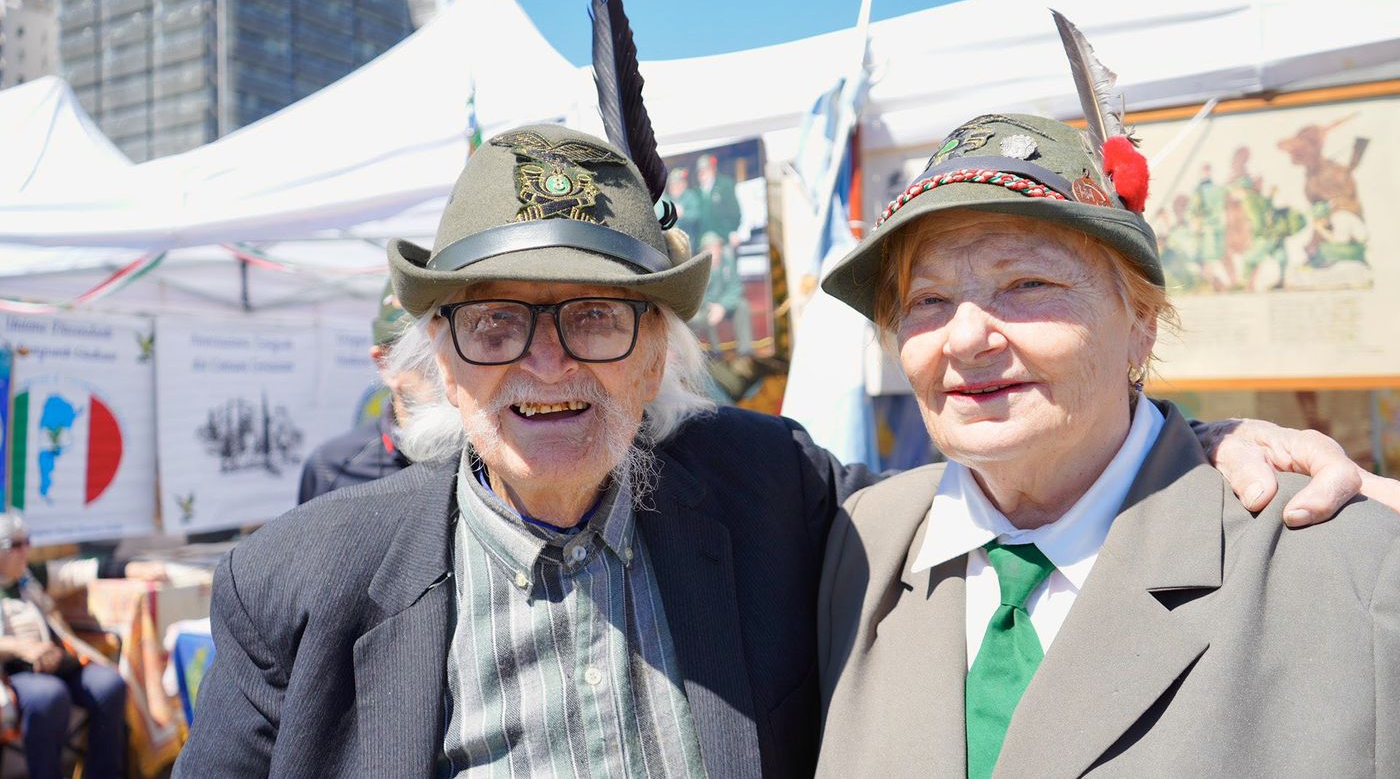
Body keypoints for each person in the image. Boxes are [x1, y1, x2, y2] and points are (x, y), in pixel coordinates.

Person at [176, 122, 1390, 778]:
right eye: (494, 321)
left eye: (598, 317)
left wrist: (1216, 444)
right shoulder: (304, 581)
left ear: (658, 354)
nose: (546, 365)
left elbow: (1050, 473)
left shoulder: (777, 501)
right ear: (442, 358)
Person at [816, 113, 1400, 777]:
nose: (965, 338)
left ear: (1141, 324)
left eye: (1028, 285)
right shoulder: (856, 543)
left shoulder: (1347, 568)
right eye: (928, 299)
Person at [0, 516, 158, 779]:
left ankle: (103, 774)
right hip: (16, 671)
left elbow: (75, 571)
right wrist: (24, 648)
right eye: (16, 545)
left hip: (60, 661)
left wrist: (129, 568)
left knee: (109, 684)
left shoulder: (29, 576)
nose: (25, 550)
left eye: (27, 542)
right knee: (49, 696)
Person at [297, 282, 417, 502]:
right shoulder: (333, 467)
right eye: (424, 350)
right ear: (385, 364)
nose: (448, 366)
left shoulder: (487, 457)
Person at [689, 230, 753, 355]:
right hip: (706, 307)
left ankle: (745, 350)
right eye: (710, 248)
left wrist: (722, 306)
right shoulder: (697, 267)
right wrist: (711, 305)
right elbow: (694, 294)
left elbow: (736, 287)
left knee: (743, 305)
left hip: (725, 303)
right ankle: (716, 351)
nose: (715, 251)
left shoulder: (728, 261)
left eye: (716, 247)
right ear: (703, 251)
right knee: (703, 318)